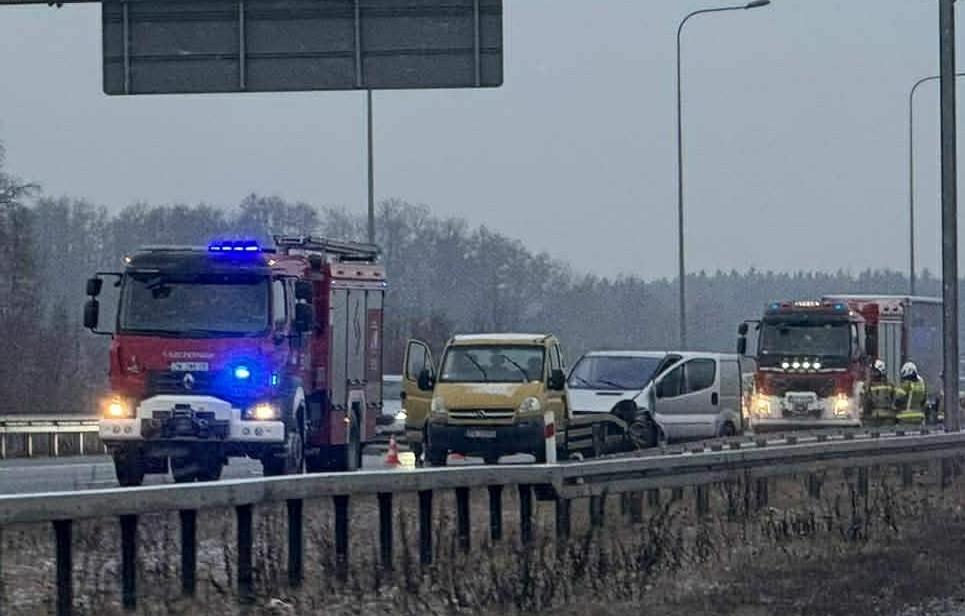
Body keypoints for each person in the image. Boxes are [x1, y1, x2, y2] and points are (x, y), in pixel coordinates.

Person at [895, 361, 927, 425]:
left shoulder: (906, 384)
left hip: (906, 417)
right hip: (919, 416)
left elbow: (897, 399)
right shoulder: (922, 384)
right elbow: (924, 400)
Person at [866, 359, 896, 423]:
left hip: (876, 417)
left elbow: (866, 402)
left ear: (880, 371)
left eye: (874, 371)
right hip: (889, 416)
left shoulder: (870, 386)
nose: (872, 373)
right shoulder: (890, 384)